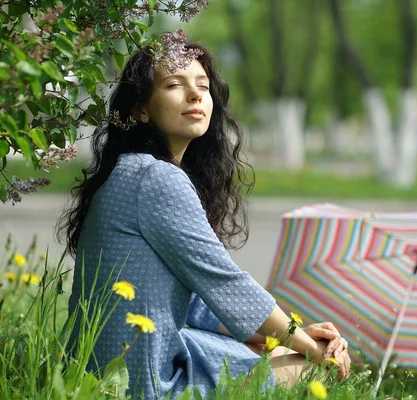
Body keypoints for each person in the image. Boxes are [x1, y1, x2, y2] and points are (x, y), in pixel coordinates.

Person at [58, 41, 351, 399]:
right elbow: (226, 285)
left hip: (97, 373)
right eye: (174, 85)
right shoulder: (156, 178)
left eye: (203, 85)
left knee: (269, 348)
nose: (195, 94)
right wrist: (312, 349)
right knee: (309, 369)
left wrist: (294, 332)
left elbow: (198, 302)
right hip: (139, 384)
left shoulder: (131, 170)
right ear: (142, 109)